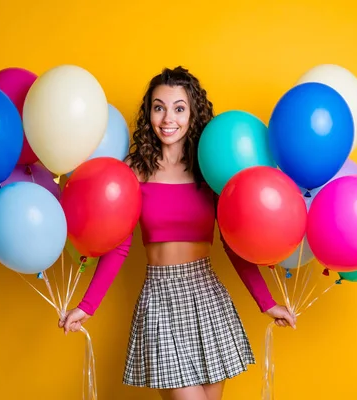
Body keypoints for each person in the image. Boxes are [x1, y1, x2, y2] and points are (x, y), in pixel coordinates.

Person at [59, 66, 296, 400]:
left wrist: (267, 303)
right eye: (159, 107)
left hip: (206, 297)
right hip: (160, 299)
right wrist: (87, 305)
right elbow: (119, 246)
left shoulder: (210, 170)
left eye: (179, 108)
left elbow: (233, 244)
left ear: (192, 114)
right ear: (149, 114)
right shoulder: (133, 172)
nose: (168, 118)